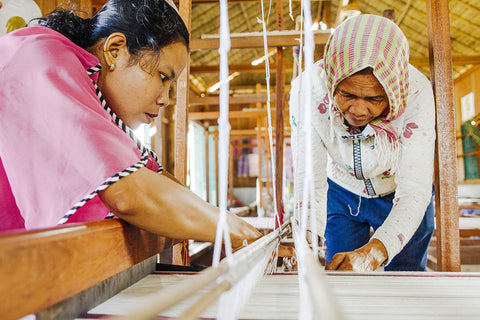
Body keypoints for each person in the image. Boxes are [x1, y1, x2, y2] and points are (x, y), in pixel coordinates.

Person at [0, 0, 261, 250]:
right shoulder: (41, 60)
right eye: (162, 77)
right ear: (115, 50)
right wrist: (235, 233)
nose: (165, 100)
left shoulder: (90, 91)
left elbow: (151, 178)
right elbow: (128, 194)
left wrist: (236, 227)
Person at [289, 14, 436, 271]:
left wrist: (373, 254)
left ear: (392, 90)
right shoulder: (309, 90)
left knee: (406, 283)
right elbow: (308, 178)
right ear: (332, 79)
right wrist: (306, 238)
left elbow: (414, 189)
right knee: (342, 275)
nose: (358, 110)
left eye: (374, 99)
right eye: (346, 94)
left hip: (399, 194)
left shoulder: (415, 93)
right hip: (341, 190)